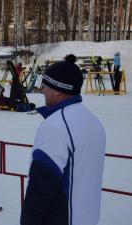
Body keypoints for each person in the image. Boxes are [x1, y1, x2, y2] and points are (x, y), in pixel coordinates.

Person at [20, 56, 106, 225]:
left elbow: (40, 190)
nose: (42, 89)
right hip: (88, 217)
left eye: (45, 85)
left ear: (58, 89)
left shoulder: (56, 127)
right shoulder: (94, 121)